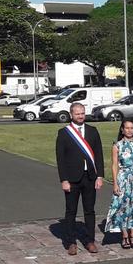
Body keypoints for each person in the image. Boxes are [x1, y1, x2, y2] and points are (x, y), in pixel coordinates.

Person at [55, 103, 105, 255]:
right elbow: (60, 159)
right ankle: (71, 243)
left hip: (89, 177)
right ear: (71, 114)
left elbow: (99, 155)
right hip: (72, 178)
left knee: (89, 211)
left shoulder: (93, 131)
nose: (81, 116)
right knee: (71, 211)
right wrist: (63, 179)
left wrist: (100, 176)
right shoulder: (64, 133)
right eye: (77, 114)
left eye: (82, 113)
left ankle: (90, 241)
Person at [104, 120, 133, 249]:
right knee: (122, 207)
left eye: (132, 128)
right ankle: (124, 236)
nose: (129, 130)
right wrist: (115, 183)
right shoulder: (117, 145)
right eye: (127, 128)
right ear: (122, 129)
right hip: (123, 178)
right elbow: (114, 165)